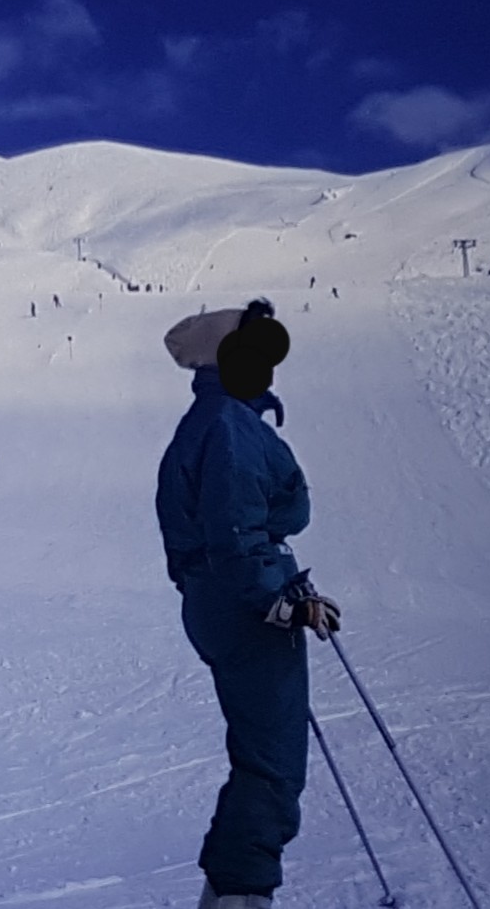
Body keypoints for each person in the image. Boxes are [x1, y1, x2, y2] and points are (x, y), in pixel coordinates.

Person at [156, 299, 341, 909]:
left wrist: (283, 588)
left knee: (265, 752)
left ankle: (231, 891)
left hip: (229, 599)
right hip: (241, 604)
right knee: (273, 762)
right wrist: (273, 598)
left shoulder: (221, 419)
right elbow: (233, 528)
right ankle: (240, 896)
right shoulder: (228, 428)